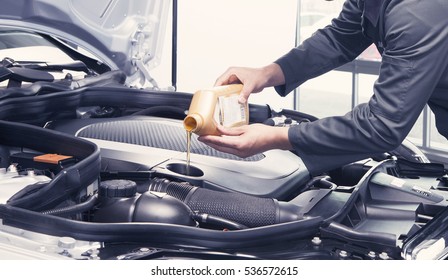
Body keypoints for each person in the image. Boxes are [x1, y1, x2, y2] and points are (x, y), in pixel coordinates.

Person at [198, 0, 448, 176]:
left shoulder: (417, 12)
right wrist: (267, 73)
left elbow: (381, 126)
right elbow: (340, 38)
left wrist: (277, 137)